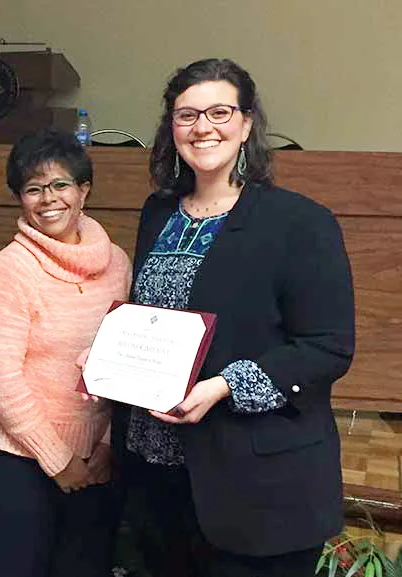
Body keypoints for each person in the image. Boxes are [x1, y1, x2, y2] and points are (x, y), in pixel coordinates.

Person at [115, 58, 355, 577]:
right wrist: (107, 357)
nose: (203, 127)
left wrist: (223, 386)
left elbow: (327, 347)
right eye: (186, 115)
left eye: (219, 112)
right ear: (171, 128)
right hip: (157, 471)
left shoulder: (299, 222)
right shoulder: (158, 212)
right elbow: (152, 319)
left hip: (258, 485)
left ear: (247, 124)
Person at [0, 128, 131, 577]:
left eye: (60, 184)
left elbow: (121, 360)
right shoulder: (10, 268)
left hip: (96, 462)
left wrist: (102, 446)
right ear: (20, 198)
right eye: (33, 189)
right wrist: (60, 460)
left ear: (84, 190)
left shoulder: (117, 261)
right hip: (16, 461)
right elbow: (2, 383)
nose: (49, 199)